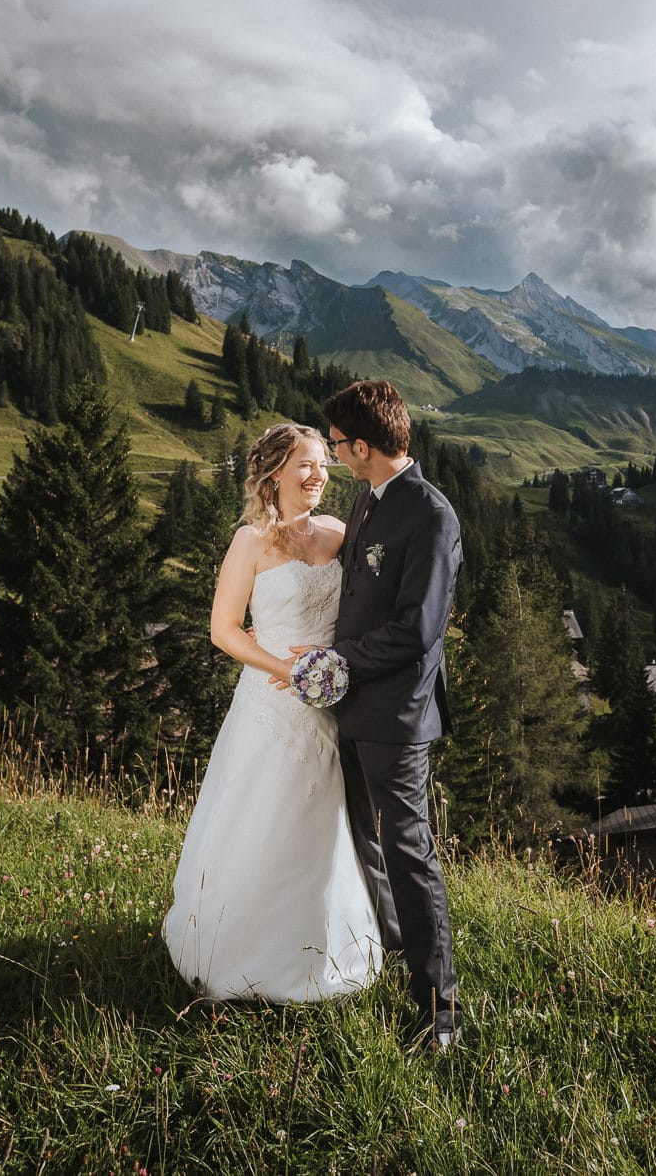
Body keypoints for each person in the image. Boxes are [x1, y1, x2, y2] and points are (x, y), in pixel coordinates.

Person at [163, 423, 381, 1002]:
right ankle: (242, 949)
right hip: (272, 702)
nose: (318, 476)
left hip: (331, 702)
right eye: (305, 465)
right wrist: (286, 670)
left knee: (325, 821)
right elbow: (223, 630)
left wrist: (335, 665)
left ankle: (325, 945)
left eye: (322, 465)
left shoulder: (339, 532)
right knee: (264, 816)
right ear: (274, 473)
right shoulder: (250, 542)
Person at [282, 379, 463, 1049]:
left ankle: (439, 1007)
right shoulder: (365, 501)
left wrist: (338, 660)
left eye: (337, 444)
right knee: (366, 840)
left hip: (398, 714)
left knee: (409, 851)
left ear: (362, 445)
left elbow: (419, 630)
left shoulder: (431, 515)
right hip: (350, 705)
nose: (334, 456)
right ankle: (391, 953)